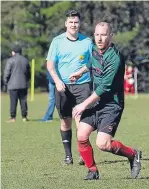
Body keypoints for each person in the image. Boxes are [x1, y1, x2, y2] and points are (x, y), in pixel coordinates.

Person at [69, 22, 142, 180]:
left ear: (110, 36)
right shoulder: (95, 49)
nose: (99, 38)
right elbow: (91, 64)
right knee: (81, 135)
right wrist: (79, 73)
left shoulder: (115, 57)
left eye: (103, 34)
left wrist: (82, 105)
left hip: (111, 105)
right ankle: (93, 171)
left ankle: (133, 154)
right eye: (97, 35)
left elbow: (103, 88)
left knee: (103, 144)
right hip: (96, 103)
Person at [46, 10, 93, 165]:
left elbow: (93, 63)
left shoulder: (87, 42)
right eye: (71, 22)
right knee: (66, 120)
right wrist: (58, 81)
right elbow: (50, 65)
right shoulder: (57, 41)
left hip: (83, 85)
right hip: (63, 87)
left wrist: (81, 72)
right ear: (66, 24)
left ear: (80, 24)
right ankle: (68, 156)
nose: (73, 25)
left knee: (81, 120)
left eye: (76, 22)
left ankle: (83, 154)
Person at [3, 45, 30, 123]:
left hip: (12, 85)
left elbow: (6, 73)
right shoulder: (25, 60)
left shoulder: (10, 60)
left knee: (13, 101)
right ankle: (24, 117)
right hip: (23, 84)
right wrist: (27, 81)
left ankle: (13, 117)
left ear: (13, 52)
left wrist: (6, 82)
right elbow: (28, 73)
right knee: (23, 101)